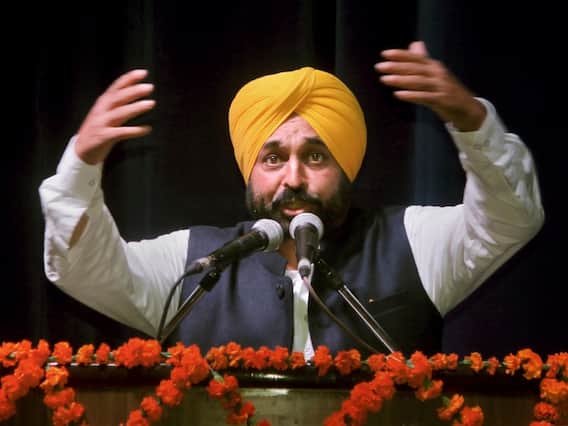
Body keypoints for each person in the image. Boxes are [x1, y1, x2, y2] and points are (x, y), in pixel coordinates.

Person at [39, 41, 544, 358]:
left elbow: (509, 220)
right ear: (250, 170)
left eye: (316, 156)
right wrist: (81, 164)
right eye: (274, 158)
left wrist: (474, 125)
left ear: (346, 167)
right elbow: (85, 270)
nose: (294, 178)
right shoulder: (193, 263)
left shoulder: (412, 242)